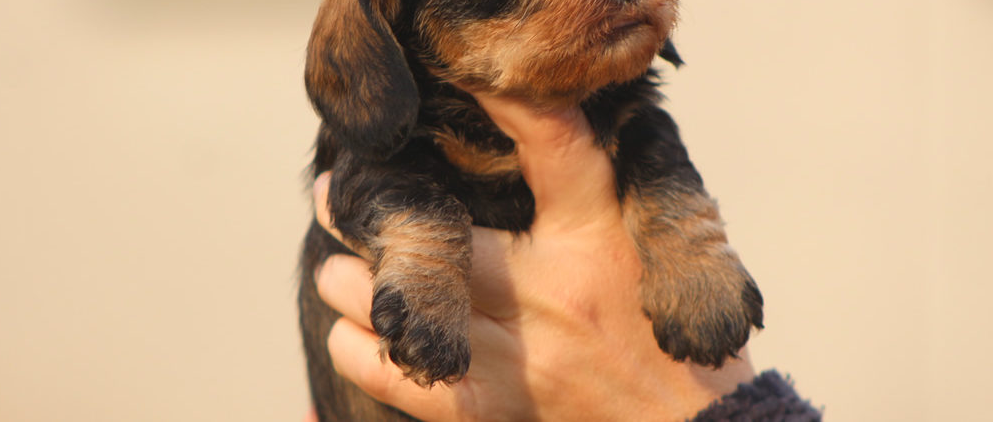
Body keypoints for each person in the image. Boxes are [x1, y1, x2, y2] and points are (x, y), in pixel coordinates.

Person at [309, 94, 820, 421]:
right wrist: (426, 260)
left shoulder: (623, 112)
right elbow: (367, 173)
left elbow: (644, 135)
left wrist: (687, 242)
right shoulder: (394, 124)